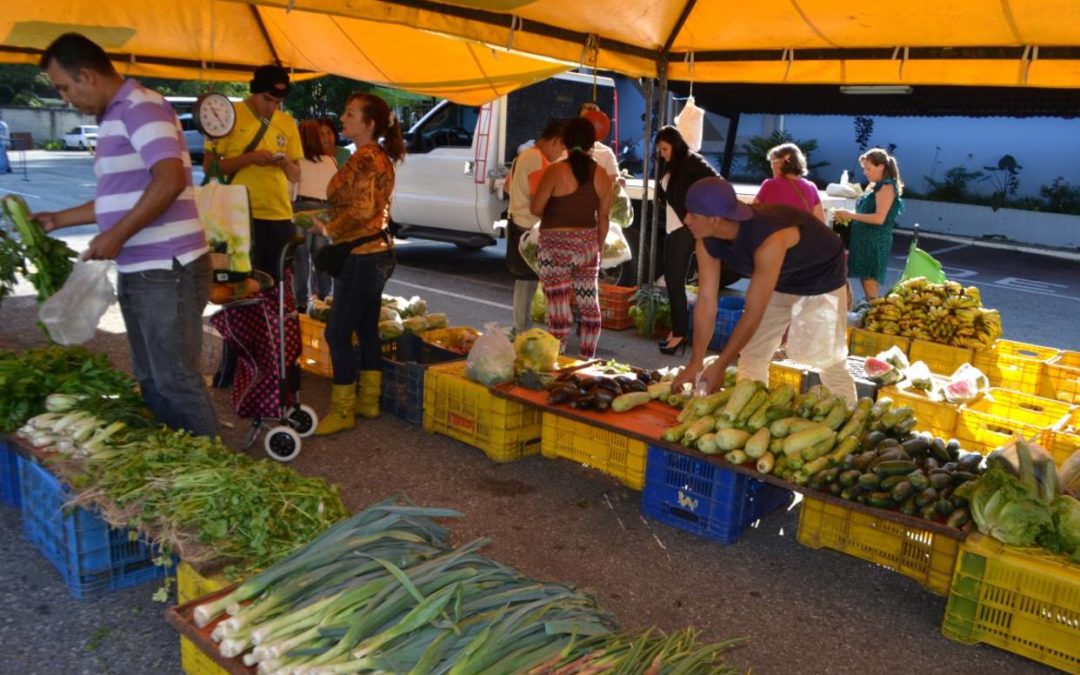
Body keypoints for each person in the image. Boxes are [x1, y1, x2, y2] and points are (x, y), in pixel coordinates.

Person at [34, 32, 217, 436]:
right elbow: (120, 198)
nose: (65, 98)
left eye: (64, 87)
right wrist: (57, 220)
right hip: (141, 267)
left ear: (86, 75)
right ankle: (172, 464)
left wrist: (115, 235)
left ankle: (216, 467)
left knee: (174, 378)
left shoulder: (141, 106)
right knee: (150, 378)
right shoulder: (114, 116)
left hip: (168, 265)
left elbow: (168, 181)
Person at [671, 177, 856, 403]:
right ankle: (749, 410)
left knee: (828, 361)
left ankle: (849, 415)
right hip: (779, 278)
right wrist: (696, 362)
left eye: (693, 214)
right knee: (752, 354)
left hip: (821, 278)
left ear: (715, 219)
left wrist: (720, 365)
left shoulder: (769, 238)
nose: (686, 219)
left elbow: (753, 311)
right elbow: (707, 300)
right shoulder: (706, 240)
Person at [308, 93, 403, 436]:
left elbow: (362, 211)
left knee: (337, 331)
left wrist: (329, 228)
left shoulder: (365, 158)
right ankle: (368, 402)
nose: (342, 119)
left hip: (362, 256)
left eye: (350, 115)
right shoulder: (377, 156)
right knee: (365, 329)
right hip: (375, 252)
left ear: (369, 124)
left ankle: (343, 410)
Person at [203, 65, 301, 283]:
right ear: (254, 91)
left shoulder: (286, 122)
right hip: (238, 216)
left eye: (277, 102)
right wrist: (250, 159)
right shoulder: (227, 116)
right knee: (238, 285)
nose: (272, 107)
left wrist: (284, 162)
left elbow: (296, 175)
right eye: (267, 99)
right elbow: (209, 168)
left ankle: (272, 319)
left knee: (276, 284)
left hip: (279, 216)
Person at [530, 117, 612, 359]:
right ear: (592, 143)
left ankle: (557, 362)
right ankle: (587, 360)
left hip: (554, 248)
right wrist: (597, 247)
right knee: (590, 309)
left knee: (558, 312)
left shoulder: (554, 171)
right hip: (587, 245)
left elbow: (536, 208)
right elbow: (604, 218)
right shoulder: (602, 175)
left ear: (565, 141)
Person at [655, 125, 719, 355]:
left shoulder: (692, 160)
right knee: (672, 281)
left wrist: (698, 212)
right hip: (674, 226)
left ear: (676, 144)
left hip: (686, 227)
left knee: (675, 280)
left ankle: (680, 333)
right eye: (659, 149)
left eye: (664, 148)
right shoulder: (671, 163)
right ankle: (677, 330)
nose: (661, 153)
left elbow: (717, 182)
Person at [506, 120, 565, 335]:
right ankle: (524, 329)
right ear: (555, 141)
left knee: (525, 280)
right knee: (531, 281)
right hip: (530, 228)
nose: (560, 155)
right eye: (562, 149)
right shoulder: (538, 160)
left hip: (517, 222)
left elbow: (507, 186)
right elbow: (538, 202)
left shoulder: (524, 155)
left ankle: (520, 327)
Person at [835, 148, 905, 301]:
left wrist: (850, 215)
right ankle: (871, 311)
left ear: (881, 166)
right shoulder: (873, 185)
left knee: (869, 281)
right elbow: (864, 211)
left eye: (868, 168)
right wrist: (846, 217)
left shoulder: (885, 186)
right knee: (865, 278)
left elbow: (879, 218)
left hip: (874, 240)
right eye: (864, 169)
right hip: (863, 238)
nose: (865, 172)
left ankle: (874, 313)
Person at [293, 119, 338, 310]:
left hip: (301, 208)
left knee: (301, 259)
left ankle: (301, 301)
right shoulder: (330, 161)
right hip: (324, 210)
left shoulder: (296, 162)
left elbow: (290, 190)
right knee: (321, 257)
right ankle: (324, 298)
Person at [753, 142, 825, 222]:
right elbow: (821, 223)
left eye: (772, 161)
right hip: (802, 234)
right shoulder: (811, 187)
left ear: (779, 163)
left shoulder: (769, 185)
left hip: (775, 234)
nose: (771, 166)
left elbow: (751, 216)